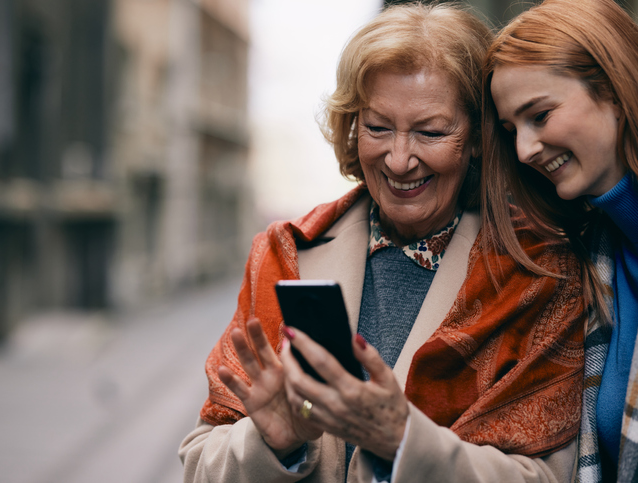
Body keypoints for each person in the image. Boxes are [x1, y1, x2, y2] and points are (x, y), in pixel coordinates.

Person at [180, 3, 586, 482]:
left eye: (430, 131)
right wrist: (275, 441)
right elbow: (199, 463)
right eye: (377, 127)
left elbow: (548, 477)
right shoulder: (284, 254)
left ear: (477, 137)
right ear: (352, 127)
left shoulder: (537, 271)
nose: (398, 160)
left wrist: (403, 442)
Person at [482, 0, 638, 481]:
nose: (525, 149)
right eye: (511, 130)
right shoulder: (591, 253)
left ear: (612, 90)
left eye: (540, 115)